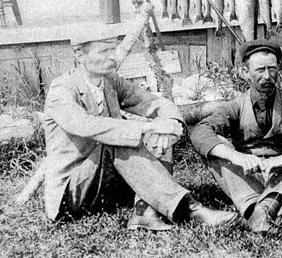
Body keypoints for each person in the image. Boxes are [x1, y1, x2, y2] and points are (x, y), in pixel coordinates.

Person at [41, 32, 237, 231]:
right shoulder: (61, 89)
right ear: (79, 55)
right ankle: (189, 209)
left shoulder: (109, 80)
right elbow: (85, 125)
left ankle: (145, 212)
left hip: (107, 184)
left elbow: (153, 102)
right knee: (120, 138)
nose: (112, 56)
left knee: (160, 136)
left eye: (113, 49)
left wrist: (170, 124)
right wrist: (148, 127)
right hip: (72, 191)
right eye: (103, 51)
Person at [190, 40, 282, 235]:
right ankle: (263, 209)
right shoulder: (235, 106)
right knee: (217, 144)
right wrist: (237, 157)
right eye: (260, 70)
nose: (267, 77)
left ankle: (261, 210)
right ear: (245, 73)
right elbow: (200, 132)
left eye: (272, 69)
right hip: (246, 176)